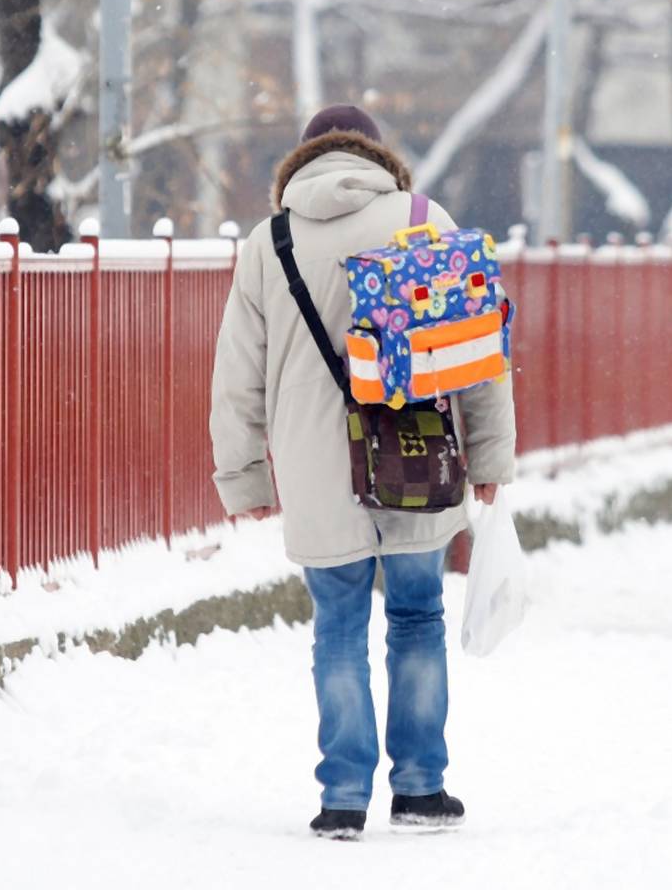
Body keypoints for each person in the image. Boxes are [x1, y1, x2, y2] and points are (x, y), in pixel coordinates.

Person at [209, 105, 517, 840]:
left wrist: (244, 475)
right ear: (375, 156)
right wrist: (491, 455)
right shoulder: (422, 218)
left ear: (303, 160)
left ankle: (343, 798)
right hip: (415, 447)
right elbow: (478, 352)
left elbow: (236, 373)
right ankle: (419, 788)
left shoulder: (268, 241)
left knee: (338, 628)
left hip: (316, 465)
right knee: (417, 617)